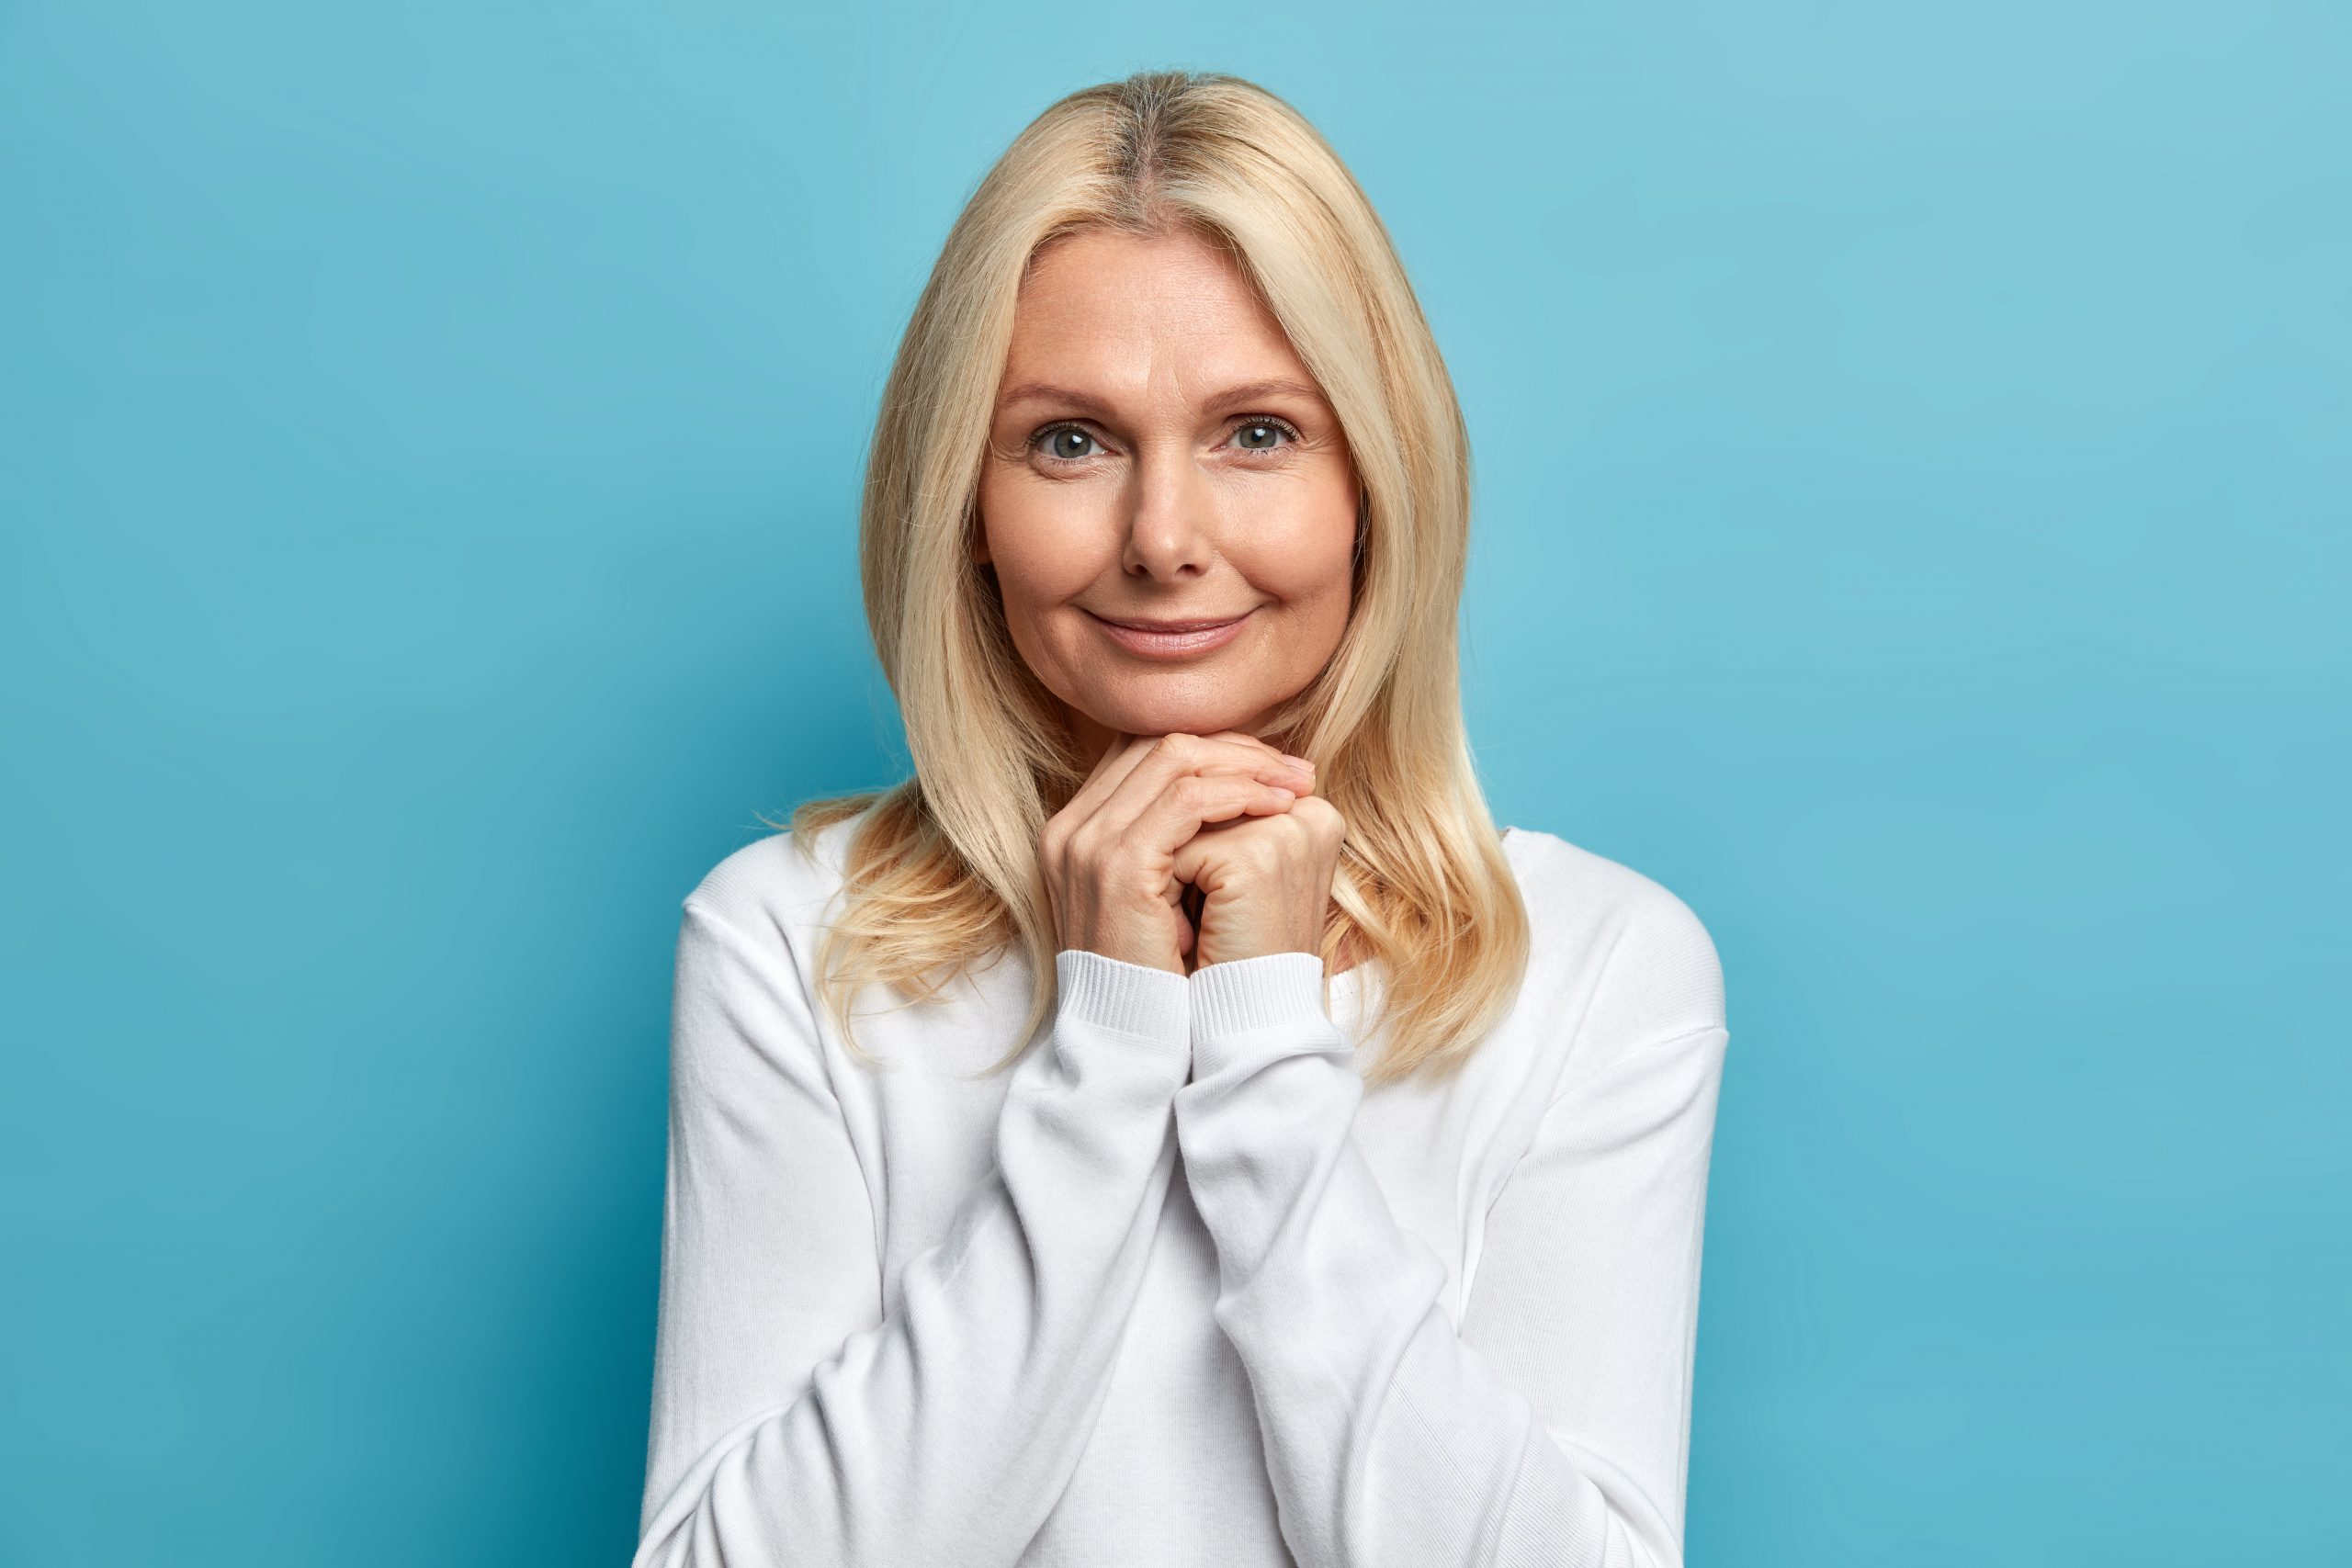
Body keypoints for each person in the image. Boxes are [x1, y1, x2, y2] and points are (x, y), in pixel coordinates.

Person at [630, 68, 1729, 1568]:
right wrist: (1111, 1048)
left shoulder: (1598, 968)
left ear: (1378, 483)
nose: (1162, 539)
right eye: (1070, 441)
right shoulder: (787, 939)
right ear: (964, 503)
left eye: (1257, 433)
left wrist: (1266, 1043)